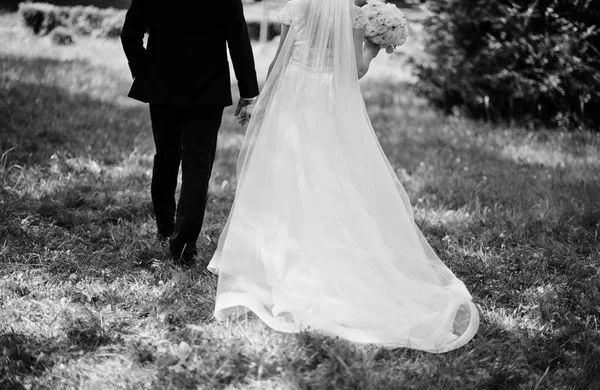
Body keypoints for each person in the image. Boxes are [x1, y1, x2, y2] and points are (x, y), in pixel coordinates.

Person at [207, 0, 479, 353]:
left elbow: (278, 61)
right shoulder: (353, 14)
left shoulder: (297, 7)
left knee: (283, 170)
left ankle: (266, 256)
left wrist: (260, 103)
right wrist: (374, 49)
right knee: (325, 171)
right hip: (324, 98)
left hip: (291, 91)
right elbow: (353, 72)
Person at [120, 0, 259, 264]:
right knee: (197, 165)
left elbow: (129, 33)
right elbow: (238, 40)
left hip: (162, 84)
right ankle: (183, 247)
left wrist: (145, 72)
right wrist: (249, 92)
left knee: (166, 155)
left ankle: (164, 225)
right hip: (208, 89)